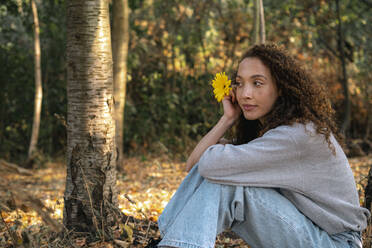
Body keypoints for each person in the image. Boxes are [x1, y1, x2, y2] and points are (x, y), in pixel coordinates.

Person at [147, 44, 370, 248]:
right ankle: (169, 241)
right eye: (239, 83)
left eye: (257, 83)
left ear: (281, 88)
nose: (245, 94)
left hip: (336, 242)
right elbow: (193, 165)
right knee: (222, 172)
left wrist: (219, 154)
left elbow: (208, 165)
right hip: (313, 234)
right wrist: (227, 119)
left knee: (227, 181)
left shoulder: (296, 135)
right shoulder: (275, 132)